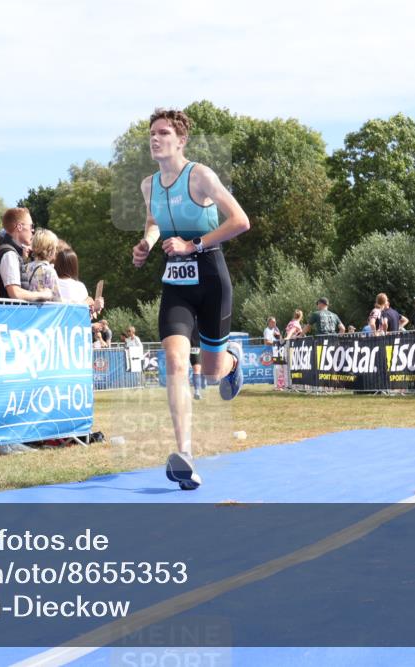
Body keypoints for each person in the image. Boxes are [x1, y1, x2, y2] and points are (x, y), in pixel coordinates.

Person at [131, 108, 250, 490]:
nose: (155, 138)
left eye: (163, 132)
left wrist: (192, 243)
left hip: (211, 275)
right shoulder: (149, 184)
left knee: (212, 373)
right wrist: (148, 243)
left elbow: (240, 221)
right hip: (176, 283)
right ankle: (185, 454)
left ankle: (231, 362)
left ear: (180, 141)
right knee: (176, 362)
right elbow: (153, 221)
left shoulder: (199, 176)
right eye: (152, 132)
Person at [0, 207, 53, 302]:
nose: (33, 231)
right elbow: (15, 293)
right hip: (7, 314)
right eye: (31, 226)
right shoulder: (9, 254)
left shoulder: (9, 252)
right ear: (20, 227)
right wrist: (42, 294)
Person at [54, 244, 103, 316]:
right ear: (74, 266)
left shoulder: (51, 284)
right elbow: (85, 315)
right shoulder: (79, 287)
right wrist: (95, 307)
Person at [25, 228, 61, 300]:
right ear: (50, 250)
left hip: (27, 309)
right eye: (55, 248)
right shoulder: (49, 271)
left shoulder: (26, 267)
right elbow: (57, 299)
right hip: (44, 310)